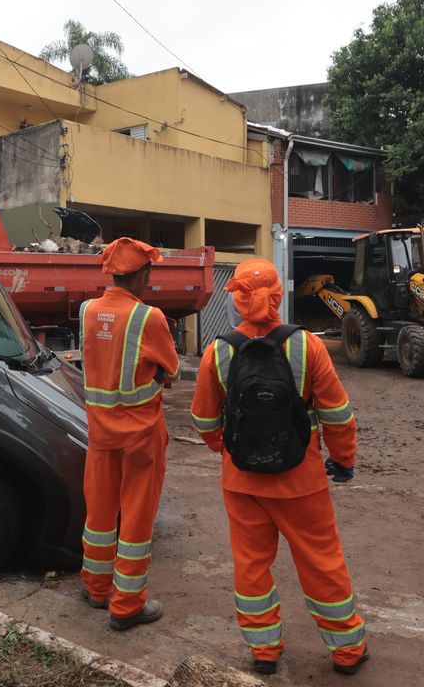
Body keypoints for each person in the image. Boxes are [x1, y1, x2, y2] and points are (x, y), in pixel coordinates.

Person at [190, 259, 368, 676]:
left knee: (251, 565)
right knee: (322, 562)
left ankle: (264, 651)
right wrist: (343, 461)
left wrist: (229, 452)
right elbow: (337, 415)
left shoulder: (218, 351)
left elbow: (203, 419)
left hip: (242, 483)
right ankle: (346, 651)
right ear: (277, 297)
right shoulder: (308, 346)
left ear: (235, 300)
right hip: (301, 481)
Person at [78, 237, 180, 630]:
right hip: (141, 435)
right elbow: (171, 371)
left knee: (100, 514)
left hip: (100, 433)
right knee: (136, 519)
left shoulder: (87, 311)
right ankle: (126, 607)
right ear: (143, 274)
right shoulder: (148, 318)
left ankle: (97, 588)